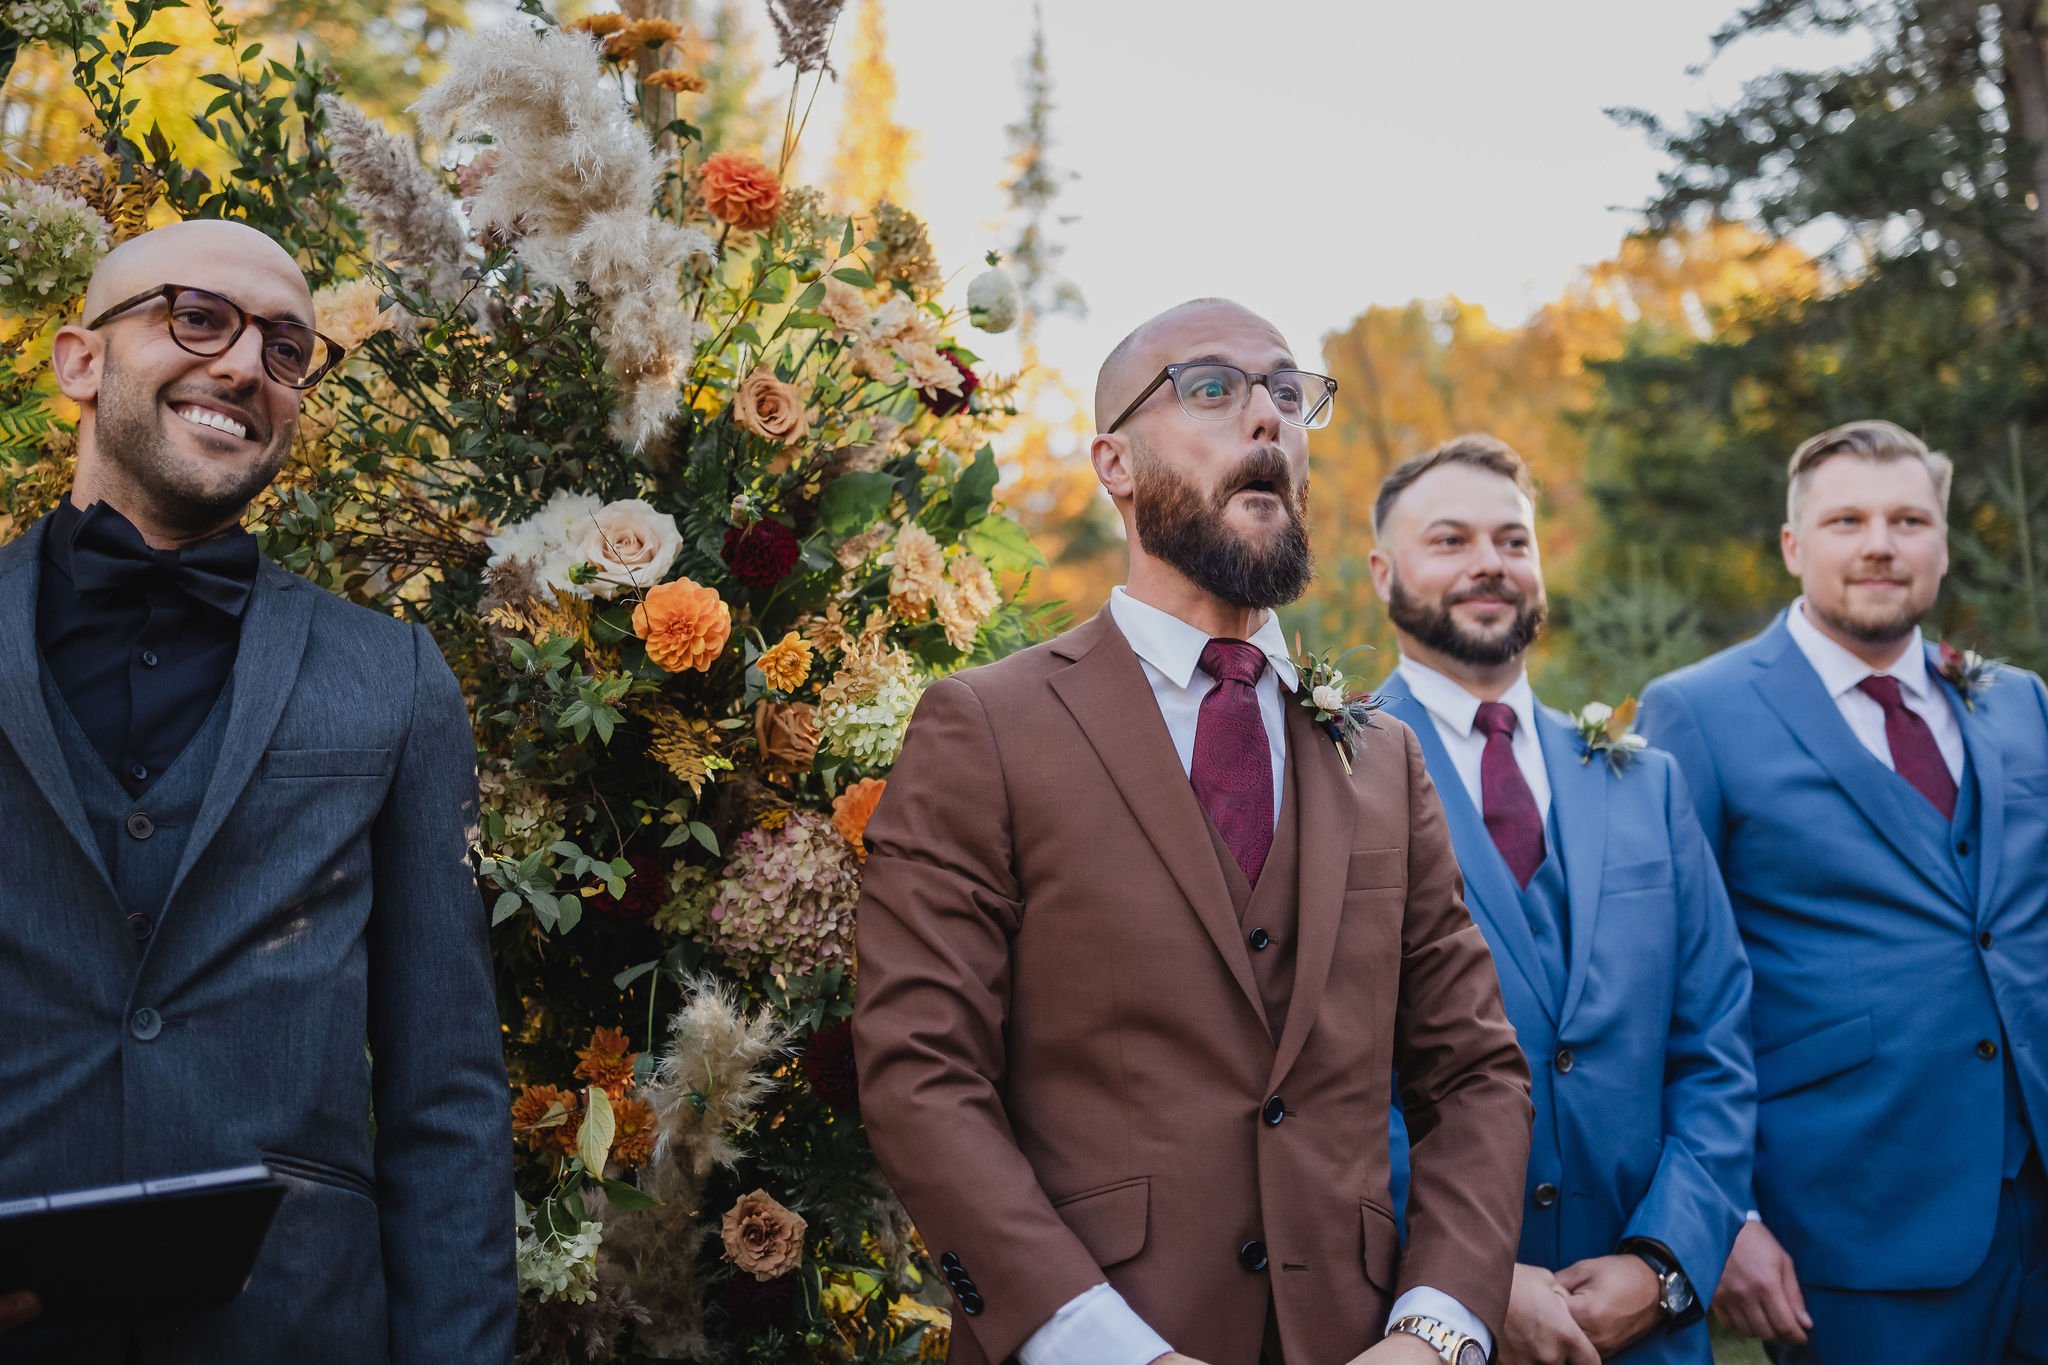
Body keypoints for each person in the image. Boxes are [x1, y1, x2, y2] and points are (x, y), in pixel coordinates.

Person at [852, 298, 1533, 1365]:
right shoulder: (986, 726)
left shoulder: (1383, 758)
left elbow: (1472, 1077)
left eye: (1286, 391)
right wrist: (1105, 1348)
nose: (1265, 417)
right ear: (1113, 463)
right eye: (1210, 388)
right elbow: (918, 1072)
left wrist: (1435, 1329)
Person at [0, 220, 514, 1363]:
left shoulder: (394, 678)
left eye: (286, 349)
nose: (244, 365)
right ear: (79, 361)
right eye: (196, 317)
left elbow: (447, 1098)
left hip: (295, 1327)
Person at [1639, 420, 2048, 1363]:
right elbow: (1666, 981)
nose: (1879, 543)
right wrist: (1722, 1216)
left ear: (1942, 543)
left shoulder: (2016, 700)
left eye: (1909, 519)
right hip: (1855, 1224)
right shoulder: (1699, 711)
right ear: (1793, 545)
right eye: (1847, 520)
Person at [1369, 435, 1754, 1365]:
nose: (1489, 564)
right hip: (1428, 1327)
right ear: (1384, 572)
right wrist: (1469, 1282)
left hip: (1649, 1333)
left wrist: (1662, 1262)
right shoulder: (1326, 772)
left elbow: (1716, 1049)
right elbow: (1323, 1085)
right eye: (1451, 540)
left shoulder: (1645, 783)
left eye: (1513, 540)